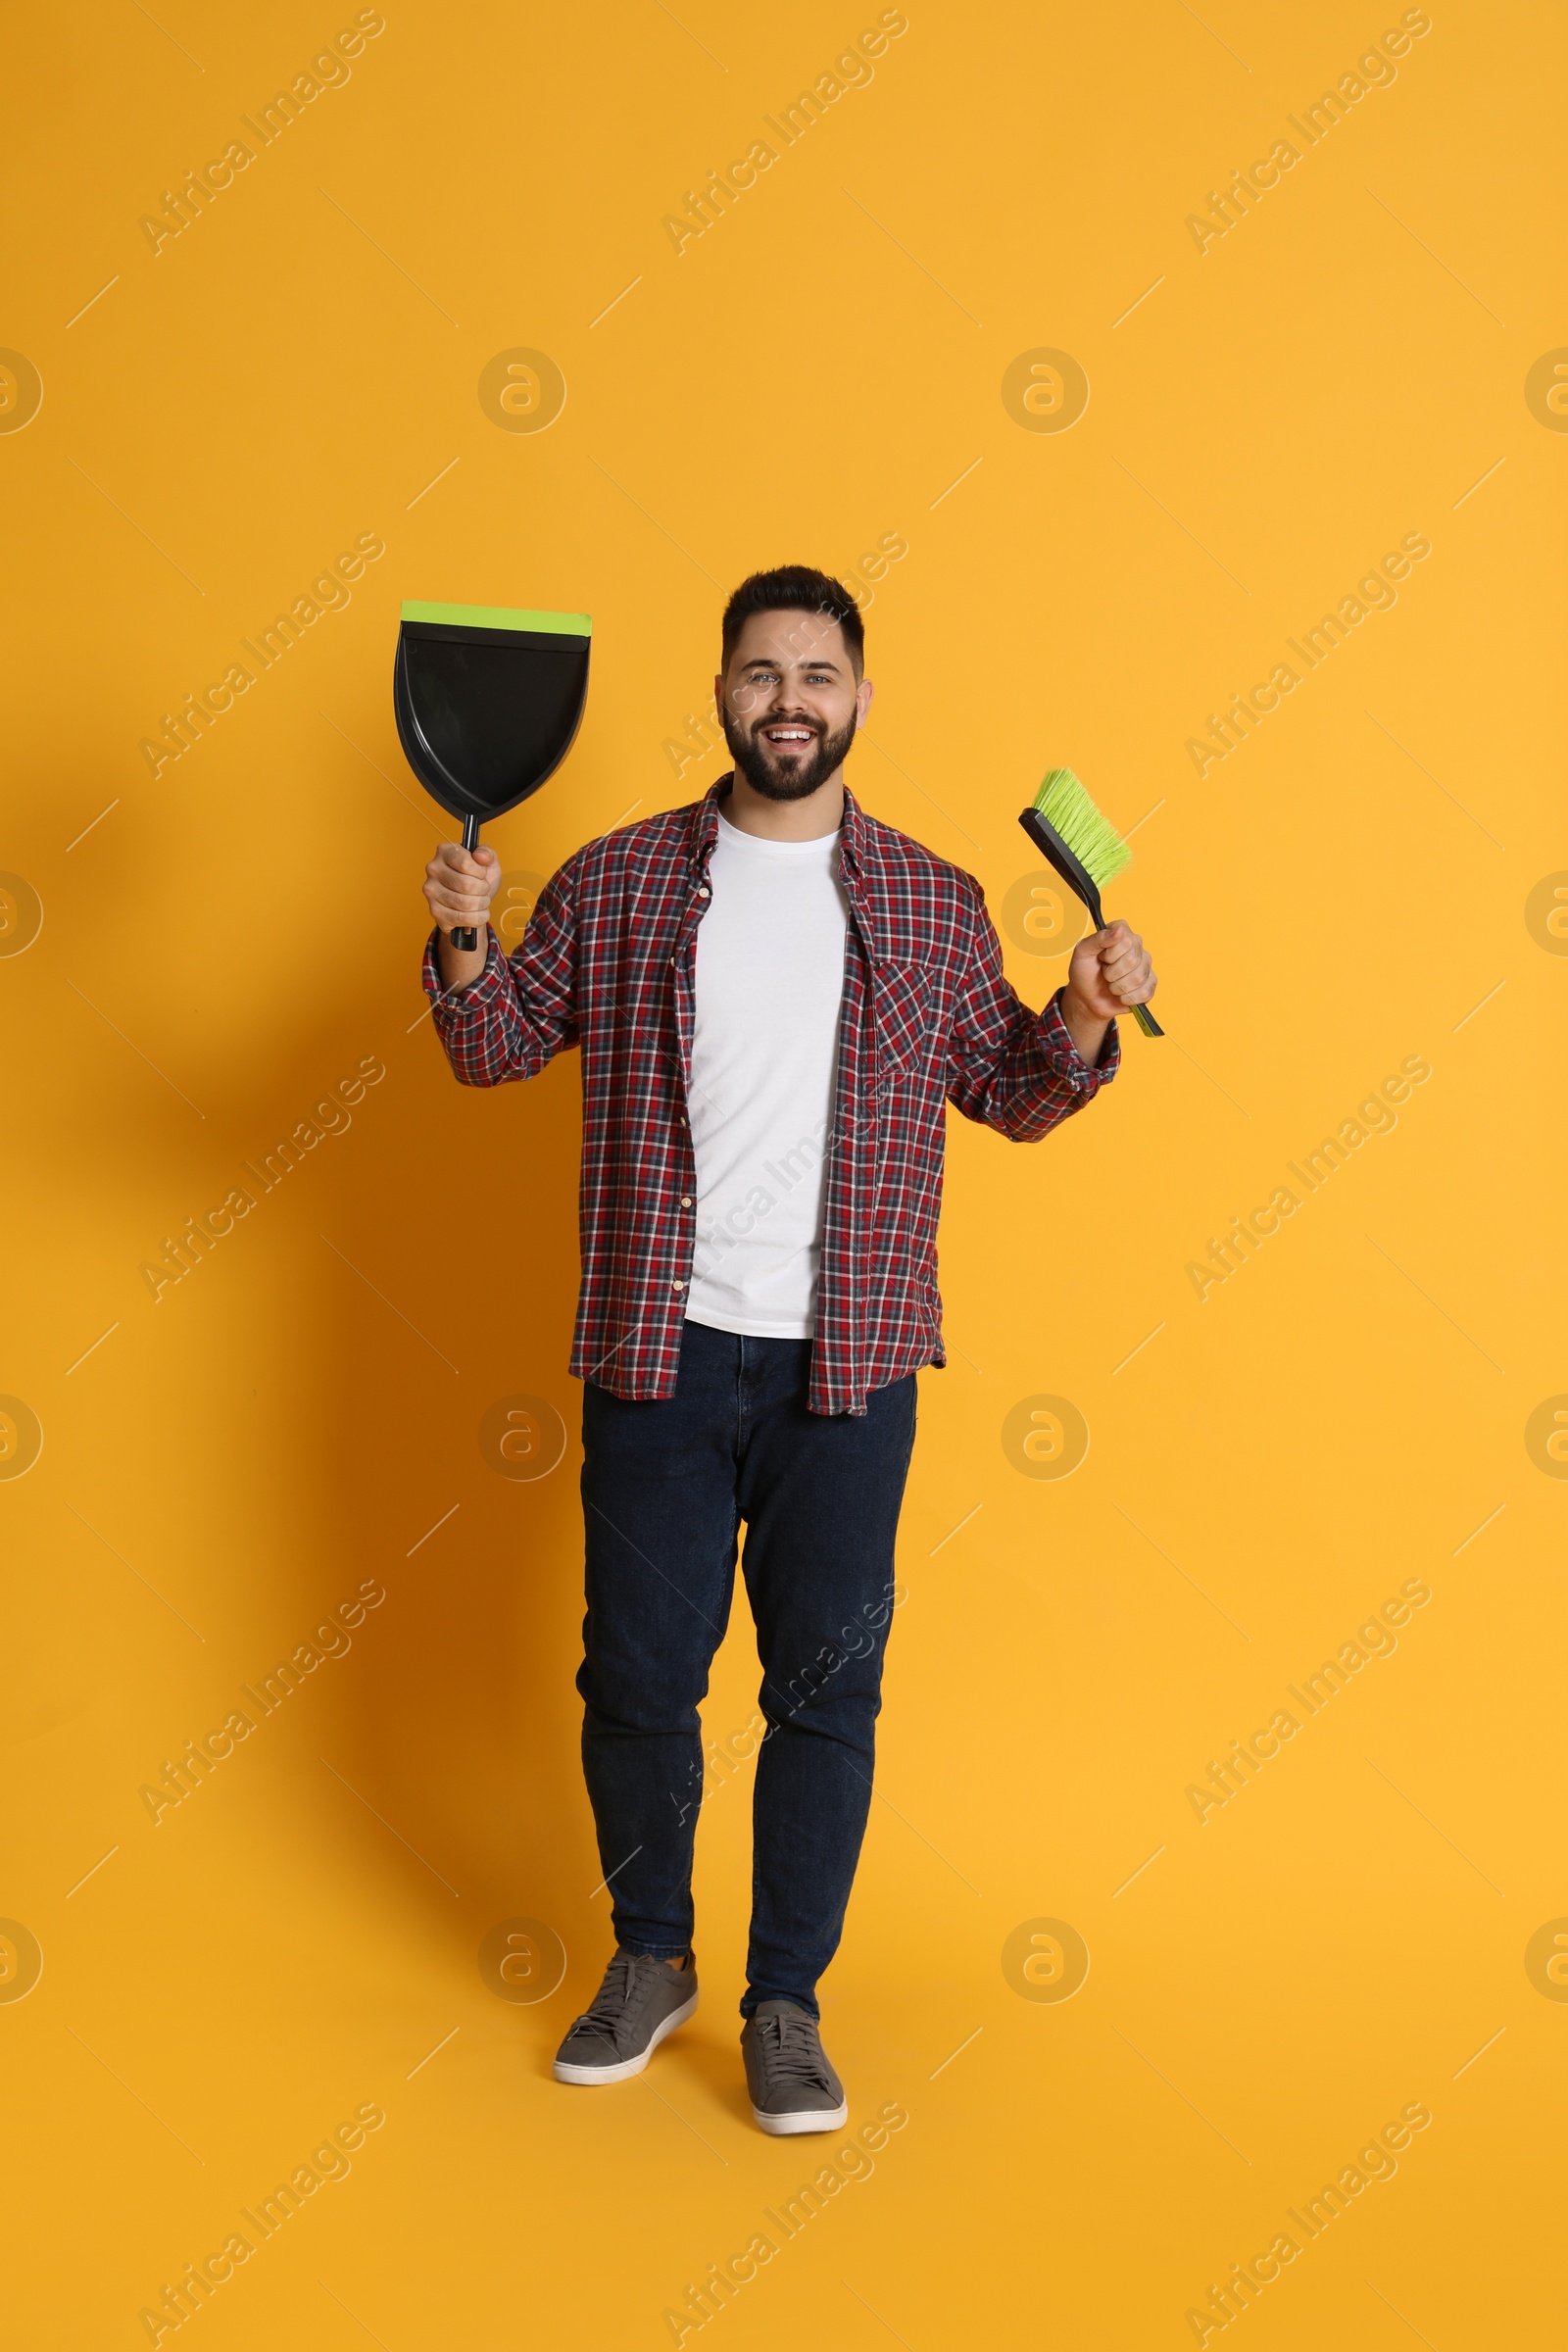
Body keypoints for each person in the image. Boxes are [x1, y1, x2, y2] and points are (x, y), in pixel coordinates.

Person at [420, 566, 1155, 2134]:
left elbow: (1018, 1092)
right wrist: (470, 942)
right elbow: (487, 1051)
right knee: (636, 1681)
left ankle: (784, 2003)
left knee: (825, 1694)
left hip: (852, 1366)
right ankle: (651, 1958)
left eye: (818, 676)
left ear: (861, 700)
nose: (789, 702)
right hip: (658, 1353)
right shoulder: (617, 884)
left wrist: (1084, 1013)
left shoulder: (932, 901)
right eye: (762, 675)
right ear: (723, 694)